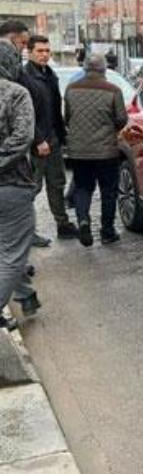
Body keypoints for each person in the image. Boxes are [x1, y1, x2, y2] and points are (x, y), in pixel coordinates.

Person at [64, 54, 128, 247]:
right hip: (106, 151)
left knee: (83, 187)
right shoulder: (113, 90)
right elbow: (121, 118)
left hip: (78, 150)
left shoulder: (71, 89)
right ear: (104, 69)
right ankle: (107, 231)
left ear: (84, 68)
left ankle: (83, 220)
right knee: (108, 191)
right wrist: (110, 130)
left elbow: (67, 117)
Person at [20, 35, 78, 242]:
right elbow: (25, 114)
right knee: (31, 188)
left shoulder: (49, 74)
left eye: (47, 51)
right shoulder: (24, 76)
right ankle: (26, 233)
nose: (44, 55)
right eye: (40, 51)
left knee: (57, 183)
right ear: (29, 52)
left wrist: (62, 135)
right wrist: (38, 140)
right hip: (36, 143)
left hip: (53, 139)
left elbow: (54, 110)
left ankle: (63, 224)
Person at [0, 37, 38, 328]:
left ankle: (26, 296)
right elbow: (22, 138)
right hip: (11, 186)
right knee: (13, 253)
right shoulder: (15, 93)